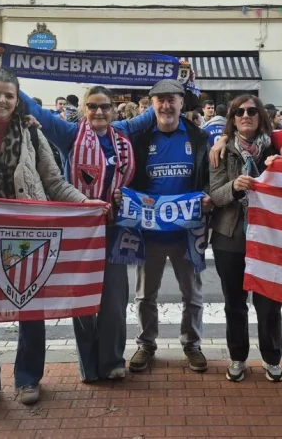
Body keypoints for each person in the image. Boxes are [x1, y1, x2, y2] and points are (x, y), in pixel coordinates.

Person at [0, 69, 98, 411]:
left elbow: (54, 182)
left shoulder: (33, 135)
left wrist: (86, 204)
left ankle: (28, 378)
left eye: (9, 95)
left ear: (17, 98)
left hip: (28, 234)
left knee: (29, 306)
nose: (2, 100)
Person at [18, 85, 156, 384]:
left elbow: (154, 111)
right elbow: (36, 110)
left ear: (113, 109)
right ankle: (89, 367)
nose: (99, 112)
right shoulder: (69, 134)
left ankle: (112, 361)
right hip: (80, 231)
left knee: (114, 300)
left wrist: (180, 80)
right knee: (82, 301)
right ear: (84, 109)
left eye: (105, 106)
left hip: (116, 230)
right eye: (92, 106)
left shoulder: (124, 131)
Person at [116, 79, 212, 373]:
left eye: (172, 99)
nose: (167, 105)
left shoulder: (198, 137)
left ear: (182, 102)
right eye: (160, 100)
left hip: (187, 232)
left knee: (192, 295)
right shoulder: (140, 138)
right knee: (145, 295)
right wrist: (123, 194)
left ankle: (192, 344)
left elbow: (209, 176)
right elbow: (128, 173)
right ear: (151, 105)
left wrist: (207, 196)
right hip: (150, 233)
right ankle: (146, 344)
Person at [209, 94, 282, 383]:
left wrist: (281, 167)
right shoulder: (221, 150)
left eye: (251, 111)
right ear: (232, 118)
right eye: (238, 112)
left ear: (260, 116)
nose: (245, 116)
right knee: (234, 303)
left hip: (269, 237)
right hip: (229, 236)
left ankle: (272, 358)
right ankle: (238, 356)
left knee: (269, 304)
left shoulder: (277, 147)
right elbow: (215, 195)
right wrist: (234, 186)